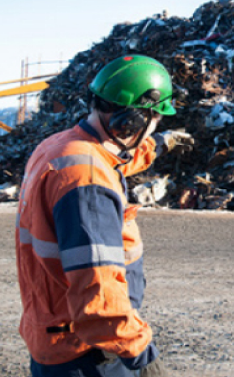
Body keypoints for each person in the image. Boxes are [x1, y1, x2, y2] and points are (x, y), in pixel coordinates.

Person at [15, 55, 190, 377]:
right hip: (87, 351)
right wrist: (143, 357)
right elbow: (98, 293)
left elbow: (112, 158)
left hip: (53, 334)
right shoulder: (88, 183)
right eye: (155, 122)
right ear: (132, 122)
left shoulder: (58, 147)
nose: (156, 127)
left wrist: (158, 145)